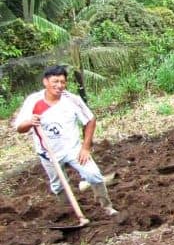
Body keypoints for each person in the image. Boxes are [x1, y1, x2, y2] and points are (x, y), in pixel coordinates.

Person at [14, 65, 118, 216]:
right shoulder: (34, 101)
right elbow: (20, 128)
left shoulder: (72, 100)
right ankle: (70, 214)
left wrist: (85, 147)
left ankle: (107, 208)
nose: (59, 85)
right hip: (48, 153)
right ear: (45, 82)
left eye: (62, 82)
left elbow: (90, 120)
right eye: (55, 81)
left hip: (73, 149)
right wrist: (30, 121)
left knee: (94, 175)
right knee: (58, 186)